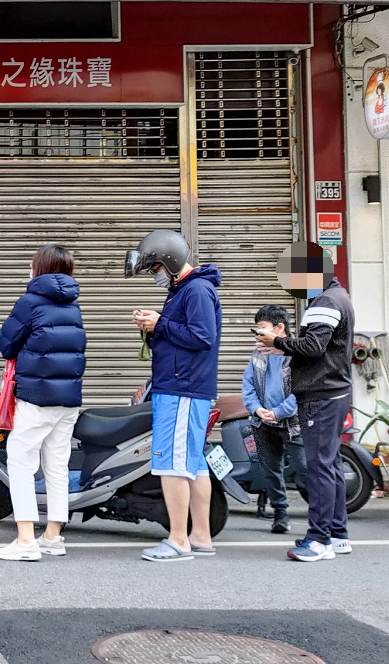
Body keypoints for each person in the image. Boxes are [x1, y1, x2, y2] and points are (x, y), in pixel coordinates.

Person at [125, 229, 222, 563]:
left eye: (155, 269)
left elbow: (202, 336)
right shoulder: (187, 290)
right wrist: (155, 327)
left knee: (172, 464)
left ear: (170, 261)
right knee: (193, 465)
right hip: (184, 386)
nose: (155, 276)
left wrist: (160, 324)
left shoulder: (195, 290)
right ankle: (200, 536)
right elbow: (184, 336)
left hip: (182, 389)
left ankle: (178, 540)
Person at [0, 245, 86, 562]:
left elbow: (6, 343)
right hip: (68, 400)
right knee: (57, 465)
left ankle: (25, 539)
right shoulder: (73, 306)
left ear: (39, 269)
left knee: (20, 461)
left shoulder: (30, 303)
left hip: (36, 398)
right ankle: (53, 536)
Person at [257, 265, 355, 562]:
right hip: (333, 391)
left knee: (319, 467)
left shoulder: (325, 301)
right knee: (330, 464)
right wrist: (285, 348)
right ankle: (337, 534)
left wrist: (276, 341)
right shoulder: (338, 296)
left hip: (321, 394)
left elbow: (313, 346)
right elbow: (317, 347)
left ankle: (318, 540)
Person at [243, 304, 304, 535]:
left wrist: (278, 412)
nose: (258, 333)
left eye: (262, 328)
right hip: (262, 422)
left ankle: (323, 518)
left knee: (304, 469)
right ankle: (280, 515)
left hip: (292, 423)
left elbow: (301, 391)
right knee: (271, 471)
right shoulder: (259, 353)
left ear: (279, 328)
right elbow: (248, 385)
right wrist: (257, 410)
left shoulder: (297, 353)